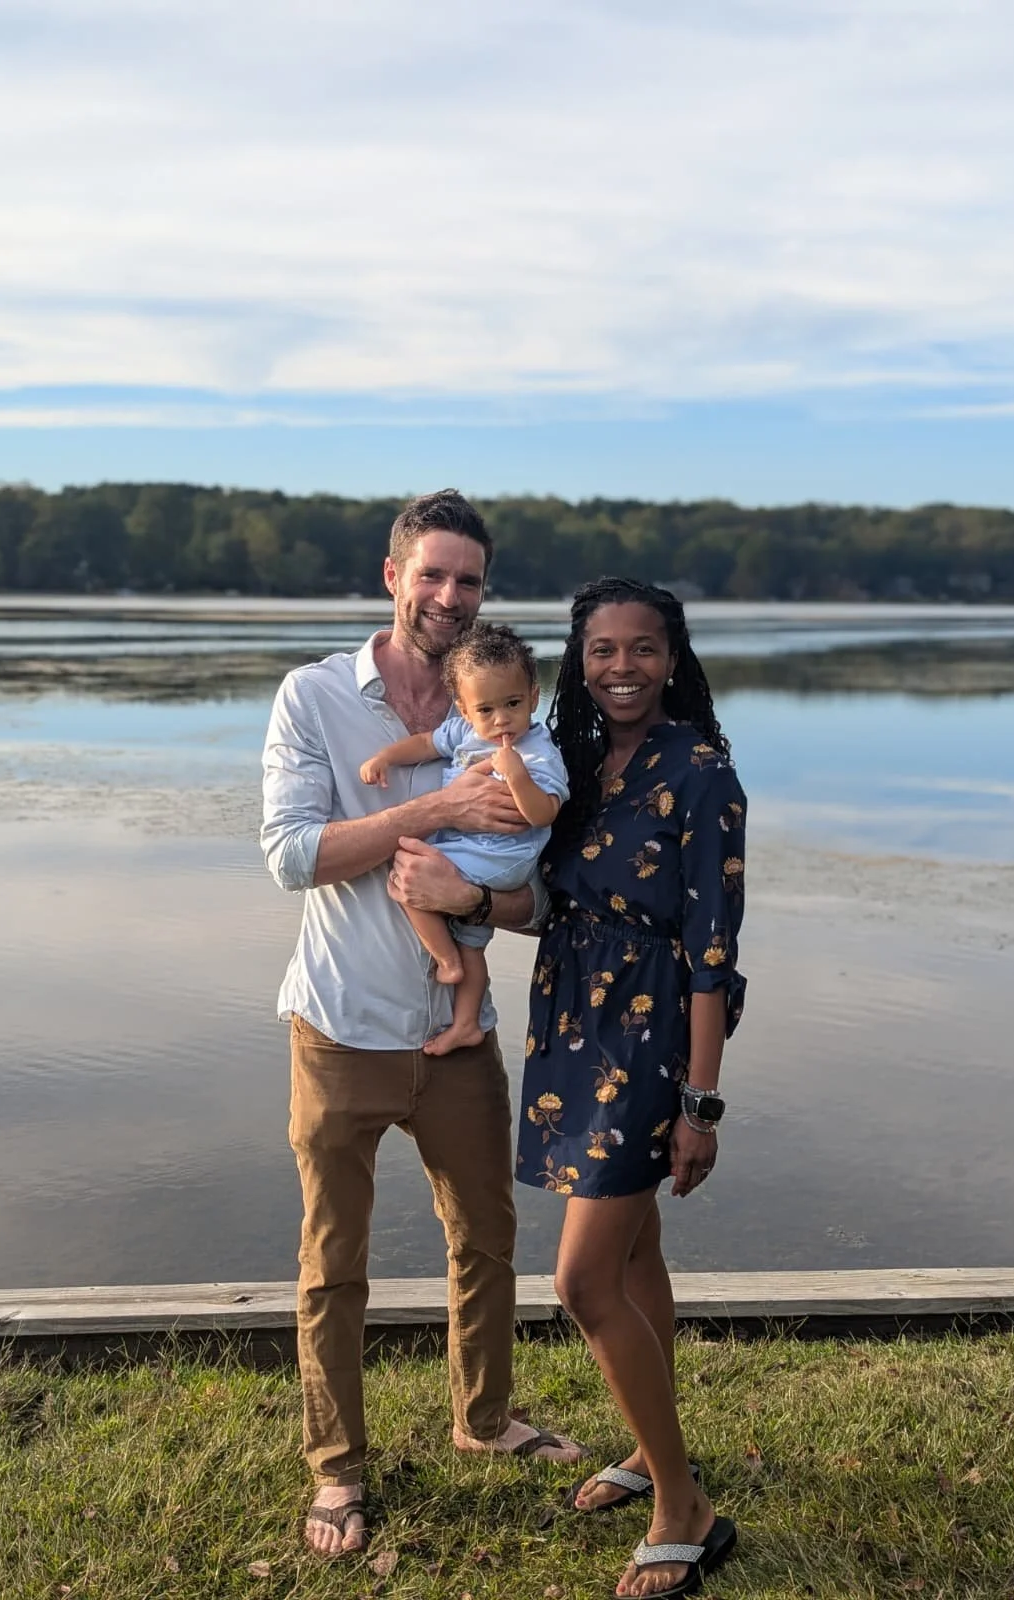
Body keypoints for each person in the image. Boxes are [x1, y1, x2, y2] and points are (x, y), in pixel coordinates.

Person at [260, 489, 582, 1563]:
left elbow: (544, 898)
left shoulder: (504, 710)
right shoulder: (314, 697)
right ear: (392, 576)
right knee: (333, 1259)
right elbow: (292, 857)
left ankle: (483, 1419)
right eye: (432, 574)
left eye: (469, 580)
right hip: (341, 1025)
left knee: (486, 1236)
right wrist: (433, 809)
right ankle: (338, 1467)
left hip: (457, 1033)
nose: (449, 595)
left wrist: (471, 896)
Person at [519, 577, 746, 1598]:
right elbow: (545, 896)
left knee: (581, 1283)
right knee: (636, 1252)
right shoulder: (568, 762)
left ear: (673, 658)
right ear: (579, 661)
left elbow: (711, 951)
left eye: (642, 648)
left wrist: (701, 1103)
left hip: (650, 1043)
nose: (622, 668)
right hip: (574, 1023)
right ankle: (656, 1456)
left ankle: (683, 1510)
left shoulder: (700, 770)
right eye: (602, 650)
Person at [359, 622, 570, 1056]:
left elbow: (544, 813)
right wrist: (386, 757)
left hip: (504, 856)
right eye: (486, 709)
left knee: (406, 876)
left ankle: (445, 959)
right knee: (473, 940)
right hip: (472, 850)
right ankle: (467, 1023)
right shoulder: (465, 733)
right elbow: (424, 743)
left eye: (513, 704)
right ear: (465, 709)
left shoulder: (538, 752)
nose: (501, 720)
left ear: (534, 697)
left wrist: (517, 775)